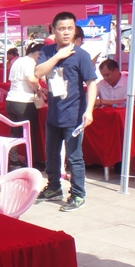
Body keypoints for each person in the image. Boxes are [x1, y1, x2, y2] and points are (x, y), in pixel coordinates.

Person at [34, 11, 97, 212]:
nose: (66, 32)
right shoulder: (48, 51)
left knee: (74, 157)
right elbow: (38, 72)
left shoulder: (81, 55)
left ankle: (78, 194)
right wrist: (58, 56)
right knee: (51, 154)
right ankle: (54, 187)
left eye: (70, 28)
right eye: (62, 29)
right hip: (54, 114)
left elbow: (92, 84)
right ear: (54, 30)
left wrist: (89, 111)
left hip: (74, 115)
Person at [6, 43, 44, 169]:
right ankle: (32, 161)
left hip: (11, 100)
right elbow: (31, 79)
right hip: (24, 101)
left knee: (14, 133)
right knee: (30, 133)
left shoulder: (17, 61)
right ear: (38, 53)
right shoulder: (29, 62)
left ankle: (13, 161)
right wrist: (39, 88)